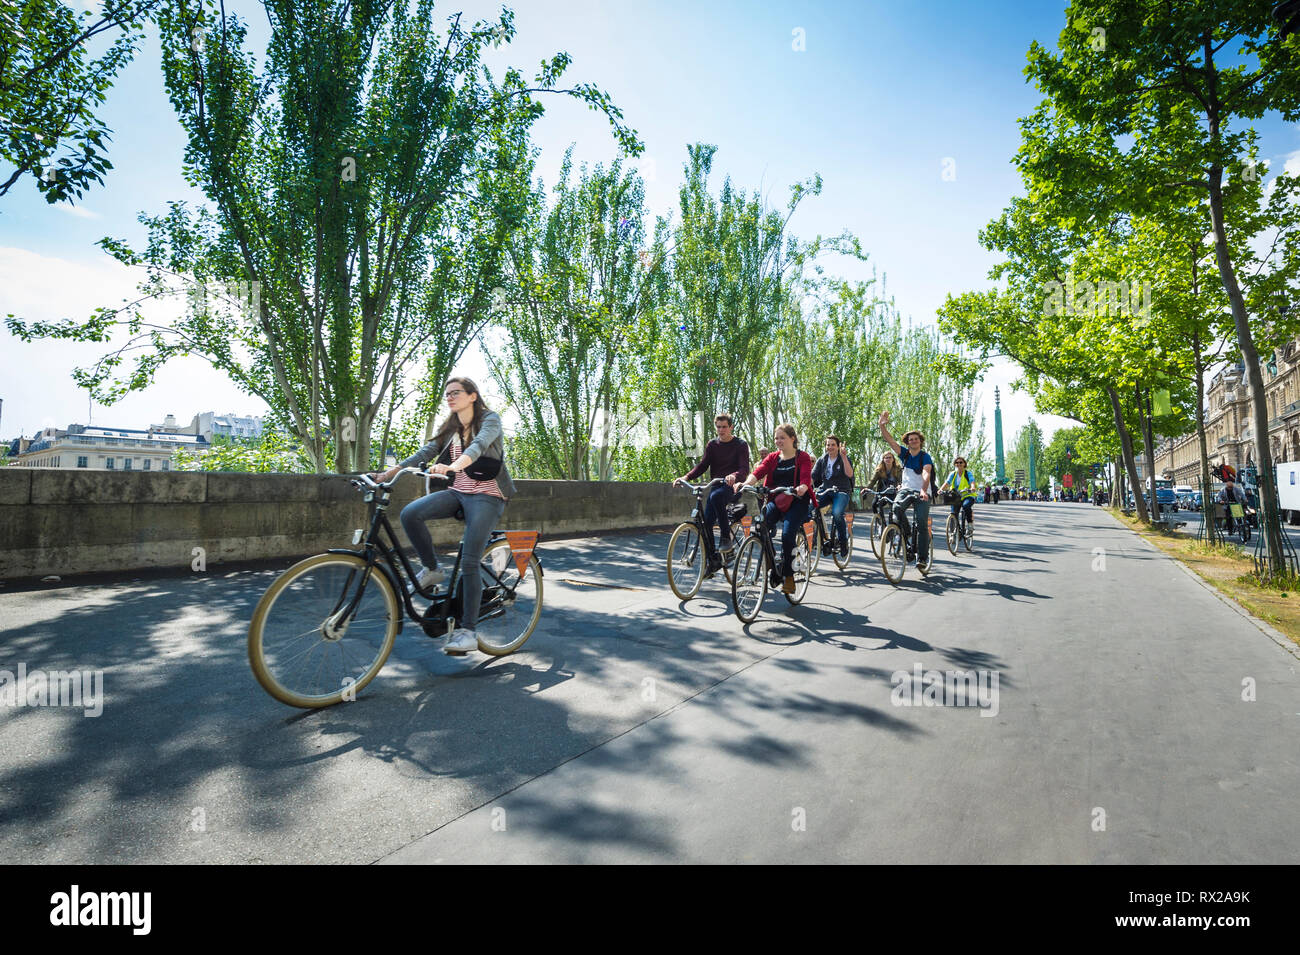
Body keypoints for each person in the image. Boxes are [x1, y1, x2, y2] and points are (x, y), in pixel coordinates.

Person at [370, 376, 514, 655]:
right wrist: (387, 474)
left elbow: (479, 446)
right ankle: (433, 569)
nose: (449, 397)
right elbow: (427, 450)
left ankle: (468, 632)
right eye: (447, 394)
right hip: (459, 492)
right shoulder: (450, 427)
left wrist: (453, 466)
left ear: (473, 395)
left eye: (456, 392)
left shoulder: (489, 420)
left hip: (488, 496)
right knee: (411, 514)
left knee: (470, 561)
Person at [674, 413, 750, 578]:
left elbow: (744, 469)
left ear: (731, 427)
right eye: (718, 427)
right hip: (716, 488)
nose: (721, 430)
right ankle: (712, 561)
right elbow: (702, 466)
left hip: (732, 488)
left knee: (716, 497)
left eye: (724, 427)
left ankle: (725, 538)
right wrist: (685, 477)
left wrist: (734, 476)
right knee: (705, 524)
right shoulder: (712, 445)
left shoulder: (741, 445)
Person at [742, 423, 813, 593]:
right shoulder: (773, 457)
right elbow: (759, 472)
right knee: (760, 526)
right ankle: (772, 562)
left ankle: (788, 576)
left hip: (797, 500)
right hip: (777, 498)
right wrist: (745, 483)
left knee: (788, 534)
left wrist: (802, 487)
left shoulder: (802, 457)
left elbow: (805, 477)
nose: (778, 441)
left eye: (782, 437)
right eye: (776, 438)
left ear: (792, 438)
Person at [877, 411, 934, 564]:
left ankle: (922, 557)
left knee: (922, 522)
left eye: (916, 439)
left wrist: (923, 489)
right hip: (906, 489)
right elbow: (891, 442)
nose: (914, 441)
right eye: (911, 440)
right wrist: (882, 426)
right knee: (896, 508)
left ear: (920, 442)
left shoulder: (925, 457)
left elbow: (926, 472)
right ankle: (907, 533)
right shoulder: (904, 454)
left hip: (922, 491)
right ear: (907, 443)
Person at [811, 434, 854, 557]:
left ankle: (843, 541)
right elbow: (812, 477)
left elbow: (850, 474)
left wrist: (844, 457)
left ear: (838, 446)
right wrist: (802, 486)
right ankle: (821, 538)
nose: (830, 447)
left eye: (833, 445)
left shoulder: (843, 458)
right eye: (828, 445)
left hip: (842, 491)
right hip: (826, 490)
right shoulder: (822, 459)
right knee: (810, 508)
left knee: (836, 513)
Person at [939, 456, 977, 532]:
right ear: (955, 464)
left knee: (966, 506)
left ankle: (970, 523)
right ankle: (954, 532)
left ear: (964, 464)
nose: (958, 464)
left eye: (960, 462)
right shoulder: (953, 474)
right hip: (956, 496)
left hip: (967, 495)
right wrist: (940, 489)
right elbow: (947, 483)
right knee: (953, 514)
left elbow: (972, 481)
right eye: (957, 462)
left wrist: (972, 487)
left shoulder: (968, 473)